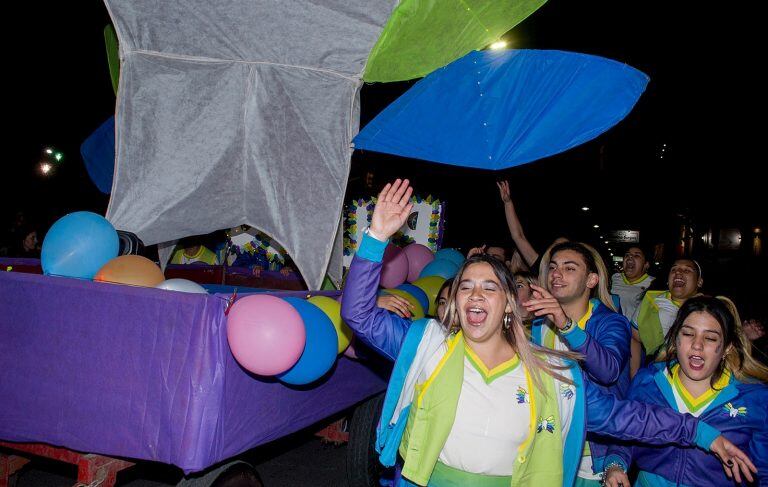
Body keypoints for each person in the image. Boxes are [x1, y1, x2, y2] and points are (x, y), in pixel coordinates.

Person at [341, 179, 753, 487]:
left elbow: (625, 415)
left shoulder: (552, 376)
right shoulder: (427, 345)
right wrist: (376, 237)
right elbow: (358, 314)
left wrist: (700, 433)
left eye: (490, 287)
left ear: (508, 305)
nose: (474, 295)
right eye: (466, 286)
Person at [603, 296, 766, 486]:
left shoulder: (754, 397)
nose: (697, 345)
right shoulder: (648, 382)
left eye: (710, 338)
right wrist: (614, 465)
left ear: (727, 348)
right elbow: (624, 435)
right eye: (688, 334)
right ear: (675, 338)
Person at [524, 241, 632, 485]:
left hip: (589, 456)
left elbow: (609, 372)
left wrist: (566, 325)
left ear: (591, 280)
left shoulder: (611, 323)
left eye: (570, 268)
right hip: (544, 446)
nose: (556, 274)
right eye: (553, 267)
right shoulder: (541, 323)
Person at [635, 258, 703, 363]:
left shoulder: (709, 310)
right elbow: (634, 339)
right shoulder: (651, 301)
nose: (678, 272)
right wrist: (635, 375)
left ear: (699, 282)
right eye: (674, 270)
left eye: (687, 270)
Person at [610, 246, 655, 377]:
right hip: (613, 337)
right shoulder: (613, 279)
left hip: (637, 342)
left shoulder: (653, 285)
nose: (630, 258)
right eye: (627, 255)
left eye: (636, 256)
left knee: (634, 375)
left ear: (646, 265)